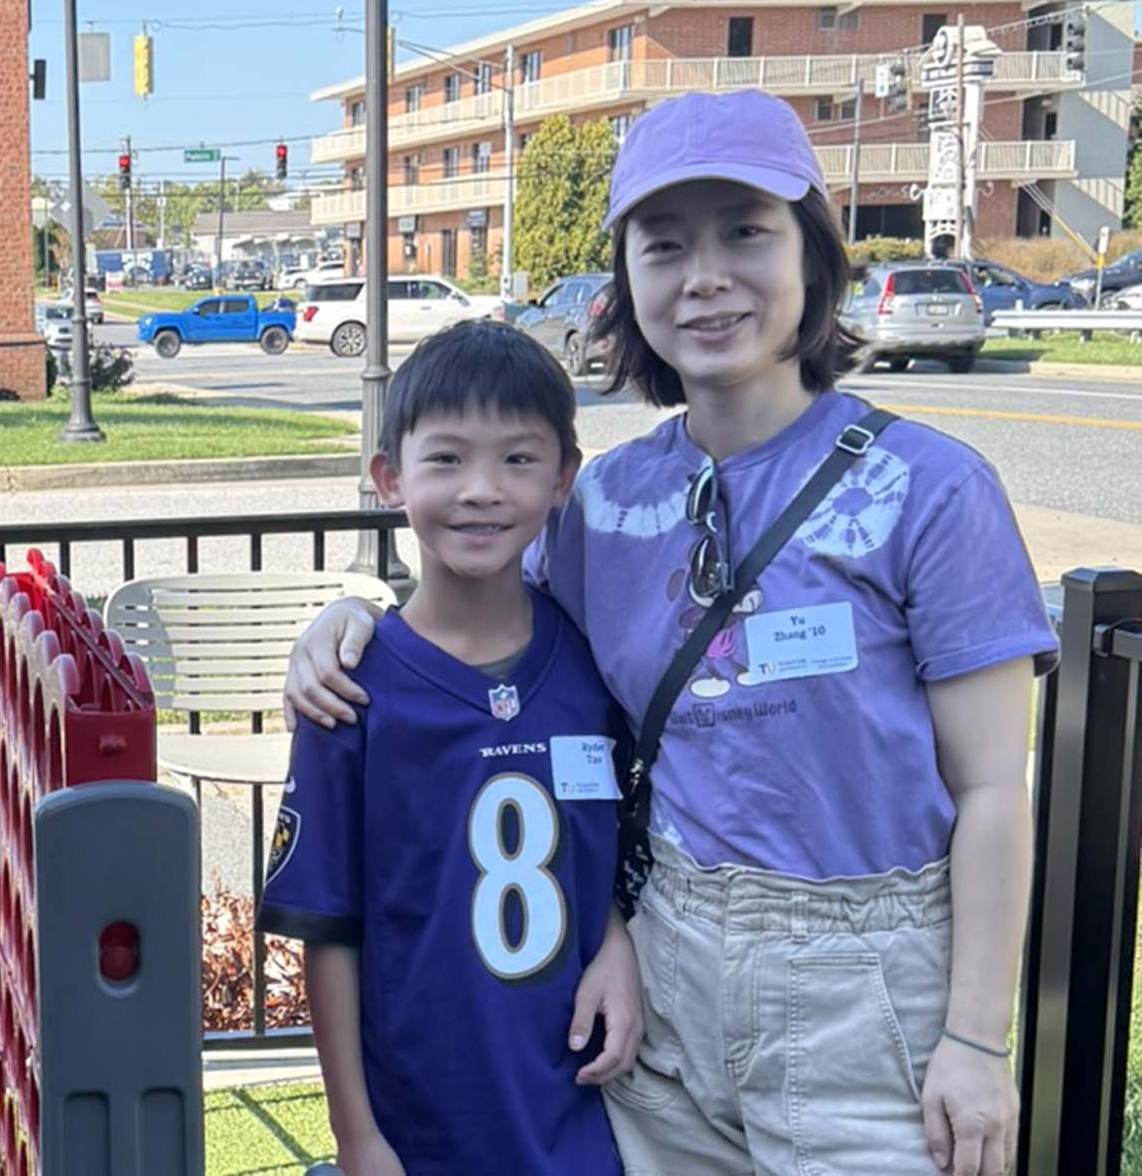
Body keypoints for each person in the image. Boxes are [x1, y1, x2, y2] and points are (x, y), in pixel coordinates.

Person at [286, 89, 1051, 1176]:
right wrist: (343, 617)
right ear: (626, 279)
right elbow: (476, 609)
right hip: (661, 987)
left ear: (812, 254)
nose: (705, 277)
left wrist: (976, 1038)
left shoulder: (928, 490)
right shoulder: (604, 502)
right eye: (664, 245)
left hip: (865, 998)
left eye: (746, 233)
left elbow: (991, 791)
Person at [259, 319, 638, 1176]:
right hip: (423, 1121)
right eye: (446, 459)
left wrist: (613, 936)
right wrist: (357, 1138)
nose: (481, 490)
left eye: (517, 458)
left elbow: (594, 853)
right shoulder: (351, 694)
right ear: (389, 477)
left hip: (582, 1113)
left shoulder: (590, 667)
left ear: (562, 479)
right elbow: (330, 934)